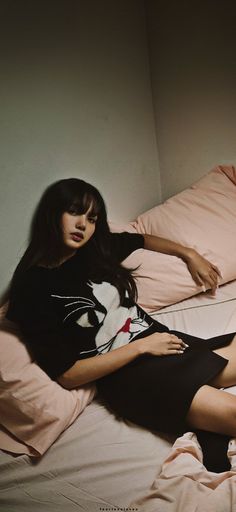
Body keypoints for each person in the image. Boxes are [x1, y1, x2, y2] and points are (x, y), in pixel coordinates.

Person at [5, 178, 236, 468]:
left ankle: (202, 413)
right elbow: (68, 375)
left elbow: (142, 239)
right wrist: (141, 348)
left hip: (163, 343)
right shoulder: (32, 287)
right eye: (75, 212)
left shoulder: (95, 250)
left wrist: (188, 254)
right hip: (129, 376)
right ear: (52, 213)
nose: (83, 225)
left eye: (92, 218)